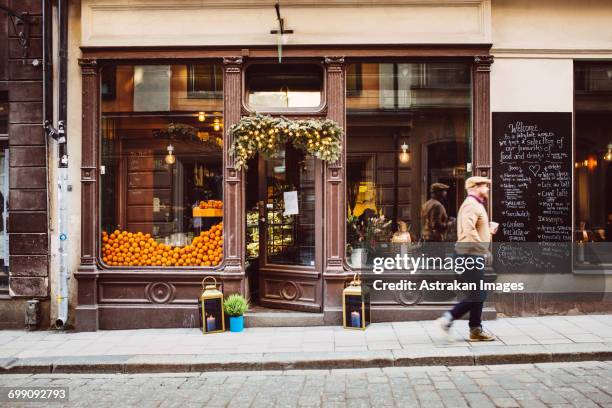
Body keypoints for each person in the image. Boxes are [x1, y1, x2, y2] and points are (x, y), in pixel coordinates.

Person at [435, 176, 498, 341]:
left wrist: (488, 230)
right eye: (485, 186)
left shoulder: (475, 205)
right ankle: (447, 319)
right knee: (479, 294)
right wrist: (484, 250)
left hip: (471, 255)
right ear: (475, 187)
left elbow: (473, 230)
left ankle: (475, 329)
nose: (488, 189)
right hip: (468, 256)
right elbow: (469, 232)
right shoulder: (471, 205)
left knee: (477, 293)